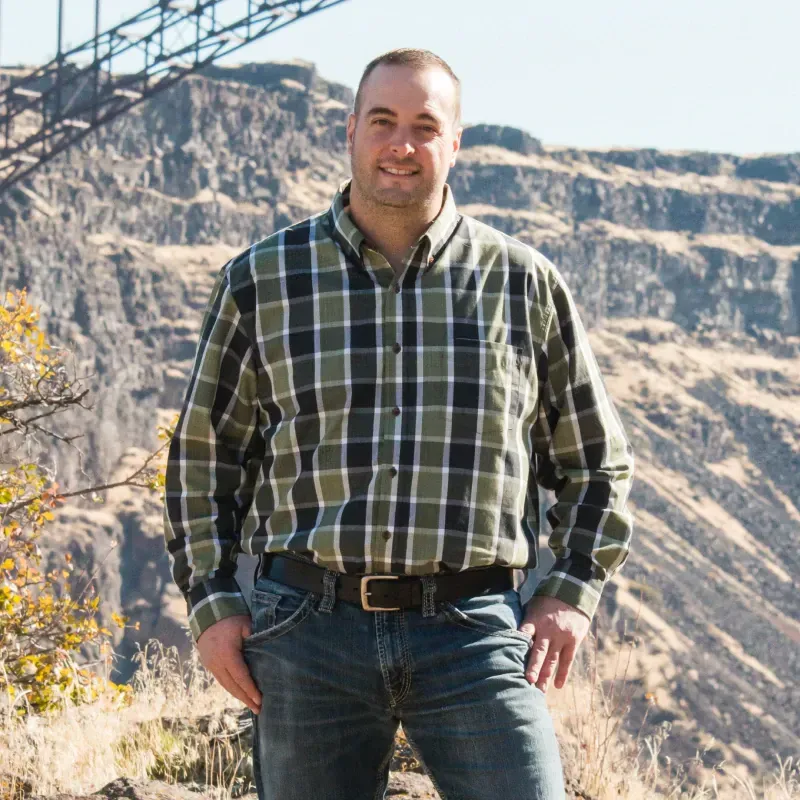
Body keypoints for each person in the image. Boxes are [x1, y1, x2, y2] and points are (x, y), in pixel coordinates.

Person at [163, 47, 634, 800]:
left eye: (425, 125)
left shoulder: (524, 284)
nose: (401, 144)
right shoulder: (262, 280)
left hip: (474, 632)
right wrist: (214, 605)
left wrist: (569, 593)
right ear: (351, 129)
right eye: (383, 121)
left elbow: (595, 465)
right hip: (305, 633)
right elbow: (204, 460)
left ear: (455, 142)